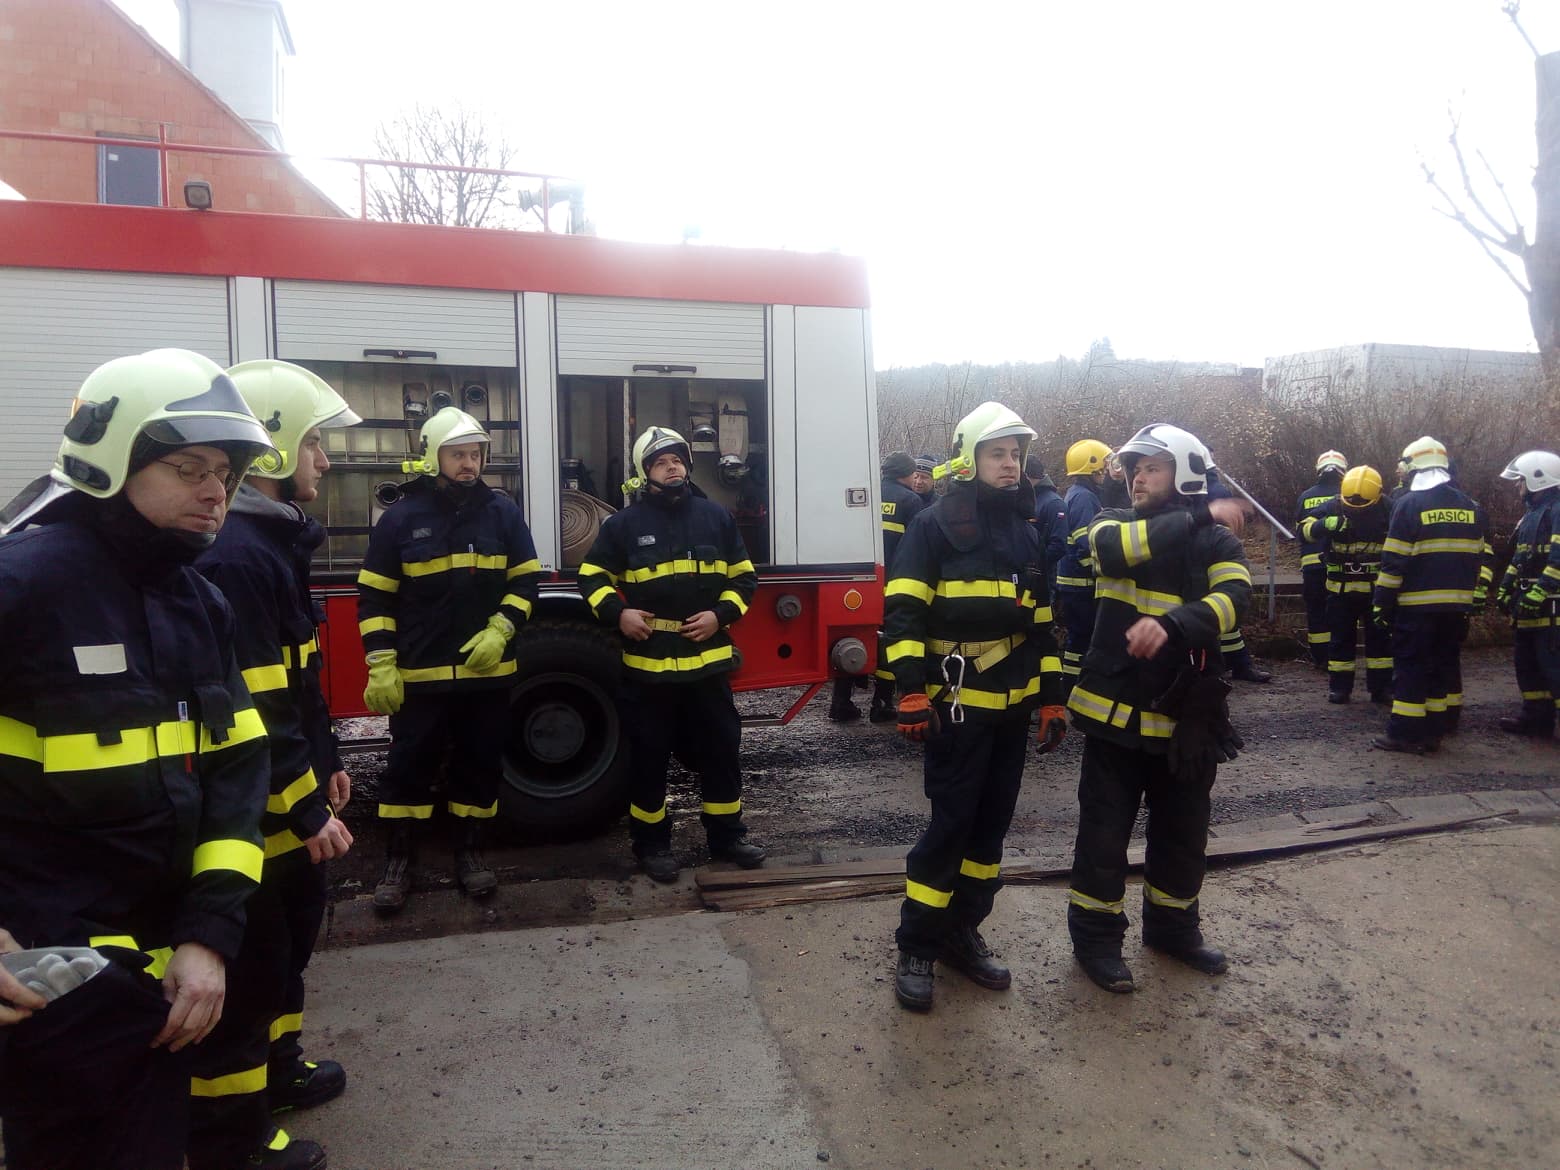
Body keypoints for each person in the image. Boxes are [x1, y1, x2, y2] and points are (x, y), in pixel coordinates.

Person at [0, 349, 273, 1170]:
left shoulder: (202, 603)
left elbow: (236, 777)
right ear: (111, 459)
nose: (215, 491)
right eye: (189, 468)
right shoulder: (21, 586)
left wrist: (209, 938)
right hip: (46, 988)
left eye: (223, 472)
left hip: (162, 990)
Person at [189, 361, 362, 1170]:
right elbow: (255, 705)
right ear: (275, 447)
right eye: (315, 442)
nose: (324, 459)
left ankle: (279, 1071)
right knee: (253, 969)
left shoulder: (269, 542)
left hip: (285, 798)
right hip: (256, 817)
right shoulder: (239, 556)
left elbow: (298, 683)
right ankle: (235, 1141)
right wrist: (305, 805)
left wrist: (327, 762)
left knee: (289, 946)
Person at [882, 402, 1067, 1012]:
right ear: (969, 459)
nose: (1010, 464)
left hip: (1011, 710)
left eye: (1015, 454)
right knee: (950, 827)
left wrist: (1051, 698)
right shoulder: (932, 526)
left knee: (990, 832)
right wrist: (911, 690)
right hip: (956, 706)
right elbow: (903, 614)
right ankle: (917, 946)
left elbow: (1041, 626)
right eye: (997, 453)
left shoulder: (1027, 532)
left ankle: (962, 931)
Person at [1065, 423, 1252, 994]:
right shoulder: (1111, 523)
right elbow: (1113, 552)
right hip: (1116, 717)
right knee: (1104, 838)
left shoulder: (1218, 543)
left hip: (1187, 720)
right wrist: (1201, 514)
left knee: (1183, 834)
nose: (1137, 478)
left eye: (1152, 468)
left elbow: (1235, 599)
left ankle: (1173, 931)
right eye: (1134, 468)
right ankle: (1097, 942)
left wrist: (1174, 623)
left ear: (1186, 473)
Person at [357, 407, 542, 912]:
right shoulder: (400, 519)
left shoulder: (503, 513)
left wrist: (502, 628)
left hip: (487, 675)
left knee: (479, 764)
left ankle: (470, 854)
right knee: (408, 767)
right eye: (458, 454)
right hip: (420, 675)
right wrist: (381, 663)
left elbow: (526, 581)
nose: (469, 463)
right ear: (432, 457)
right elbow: (375, 598)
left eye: (475, 454)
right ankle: (399, 861)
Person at [577, 426, 765, 883]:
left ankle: (727, 837)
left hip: (708, 664)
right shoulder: (622, 525)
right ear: (645, 473)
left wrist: (719, 616)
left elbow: (744, 578)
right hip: (649, 668)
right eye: (661, 462)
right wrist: (619, 613)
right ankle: (652, 845)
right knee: (649, 757)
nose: (672, 467)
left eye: (677, 459)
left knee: (721, 751)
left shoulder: (716, 517)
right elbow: (591, 577)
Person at [1370, 436, 1492, 754]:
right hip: (1456, 607)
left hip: (1416, 608)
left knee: (1410, 668)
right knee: (1440, 667)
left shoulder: (1409, 505)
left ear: (1414, 467)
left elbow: (1394, 561)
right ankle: (1434, 732)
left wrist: (1381, 602)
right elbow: (1479, 555)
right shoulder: (1470, 506)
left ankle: (1404, 733)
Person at [1298, 465, 1392, 705]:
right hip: (1340, 590)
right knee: (1340, 641)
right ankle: (1340, 688)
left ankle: (1381, 688)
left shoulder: (1389, 509)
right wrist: (1325, 524)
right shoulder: (1333, 505)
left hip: (1375, 591)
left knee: (1380, 642)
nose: (1356, 507)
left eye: (1362, 504)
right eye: (1351, 502)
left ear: (1377, 495)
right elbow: (1302, 530)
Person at [1492, 450, 1560, 738]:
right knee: (1528, 664)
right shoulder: (1530, 515)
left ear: (1538, 478)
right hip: (1529, 605)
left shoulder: (1557, 511)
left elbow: (1558, 560)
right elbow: (1519, 558)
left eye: (1521, 480)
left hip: (1552, 608)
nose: (1518, 486)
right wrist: (1506, 587)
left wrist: (1540, 592)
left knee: (1554, 666)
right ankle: (1535, 719)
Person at [860, 451, 926, 723]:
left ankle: (840, 702)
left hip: (861, 581)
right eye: (914, 474)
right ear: (905, 474)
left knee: (857, 635)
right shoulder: (911, 501)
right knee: (890, 638)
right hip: (894, 581)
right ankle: (882, 702)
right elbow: (918, 546)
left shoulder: (868, 492)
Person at [1055, 438, 1111, 689]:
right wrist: (1102, 570)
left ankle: (1072, 683)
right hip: (1080, 584)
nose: (1105, 473)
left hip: (1075, 582)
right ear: (1092, 468)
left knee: (1080, 637)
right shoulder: (1085, 498)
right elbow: (1086, 543)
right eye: (1102, 467)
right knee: (1081, 637)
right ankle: (1073, 685)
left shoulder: (1080, 494)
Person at [1206, 471, 1270, 683]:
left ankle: (1238, 664)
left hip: (1216, 552)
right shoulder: (1207, 488)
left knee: (1227, 615)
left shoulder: (1209, 487)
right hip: (1210, 552)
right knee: (1219, 616)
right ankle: (1232, 665)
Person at [1297, 452, 1347, 668]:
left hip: (1312, 567)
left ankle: (1320, 657)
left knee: (1316, 611)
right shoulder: (1348, 495)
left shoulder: (1305, 497)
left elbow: (1300, 531)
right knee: (1341, 612)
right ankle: (1339, 655)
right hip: (1341, 565)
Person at [1025, 452, 1068, 600]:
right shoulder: (1027, 500)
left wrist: (1033, 564)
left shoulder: (1053, 504)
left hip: (1043, 583)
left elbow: (1059, 545)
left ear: (1026, 476)